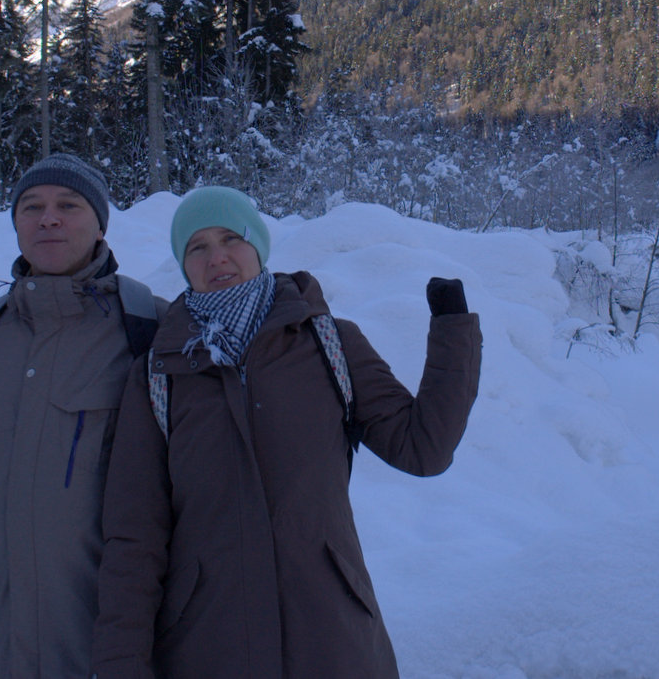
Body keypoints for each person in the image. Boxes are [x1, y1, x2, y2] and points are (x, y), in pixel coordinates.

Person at [92, 186, 482, 678]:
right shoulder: (158, 374)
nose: (216, 257)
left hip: (332, 640)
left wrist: (452, 331)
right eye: (197, 247)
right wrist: (122, 665)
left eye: (231, 238)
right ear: (184, 264)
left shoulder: (329, 342)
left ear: (257, 245)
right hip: (208, 648)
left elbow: (422, 449)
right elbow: (135, 539)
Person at [0, 154, 166, 679]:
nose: (48, 218)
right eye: (31, 207)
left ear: (100, 225)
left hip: (110, 640)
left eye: (68, 205)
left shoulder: (150, 326)